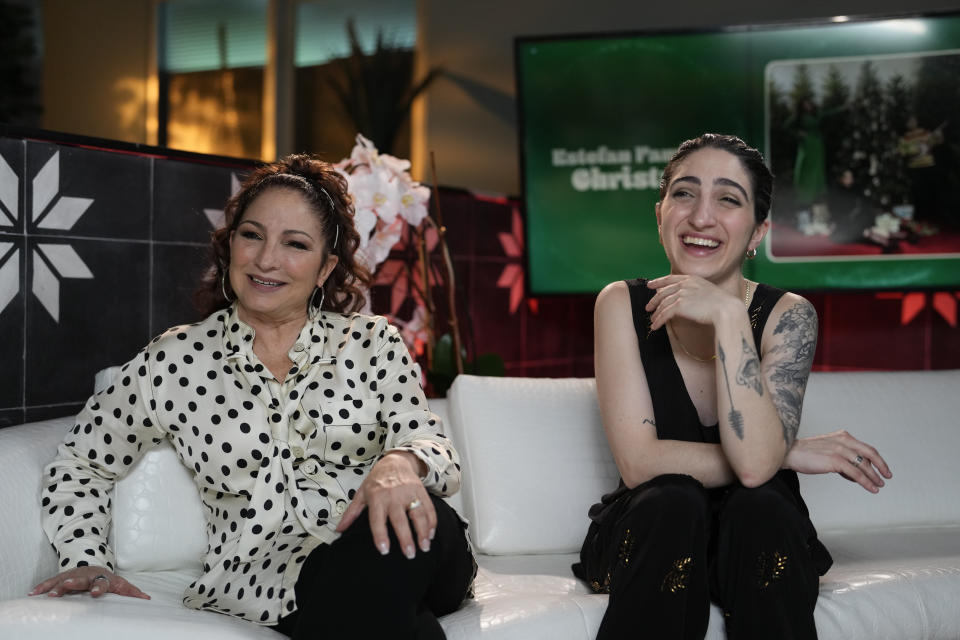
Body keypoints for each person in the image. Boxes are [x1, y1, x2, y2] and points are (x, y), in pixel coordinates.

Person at [30, 154, 475, 639]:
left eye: (295, 244)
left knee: (385, 531)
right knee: (380, 618)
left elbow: (432, 444)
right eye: (252, 235)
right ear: (230, 245)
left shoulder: (371, 342)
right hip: (276, 587)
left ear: (325, 268)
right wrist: (87, 559)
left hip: (415, 543)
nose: (266, 260)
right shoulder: (175, 361)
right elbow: (80, 463)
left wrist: (398, 464)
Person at [573, 134, 892, 639]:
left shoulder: (789, 315)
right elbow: (639, 463)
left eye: (727, 198)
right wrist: (789, 452)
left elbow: (754, 470)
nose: (701, 217)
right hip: (657, 532)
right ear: (660, 216)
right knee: (672, 500)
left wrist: (727, 316)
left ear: (757, 231)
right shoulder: (620, 304)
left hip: (760, 532)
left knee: (760, 504)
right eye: (684, 194)